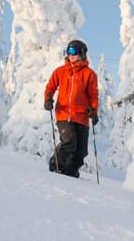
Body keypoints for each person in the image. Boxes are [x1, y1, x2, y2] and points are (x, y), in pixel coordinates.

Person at [44, 39, 99, 178]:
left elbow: (93, 95)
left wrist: (94, 111)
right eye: (68, 51)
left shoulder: (89, 74)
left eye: (73, 51)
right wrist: (48, 99)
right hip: (64, 114)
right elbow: (50, 87)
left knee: (81, 152)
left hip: (82, 117)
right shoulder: (60, 71)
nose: (70, 54)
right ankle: (56, 165)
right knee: (69, 142)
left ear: (81, 53)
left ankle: (70, 173)